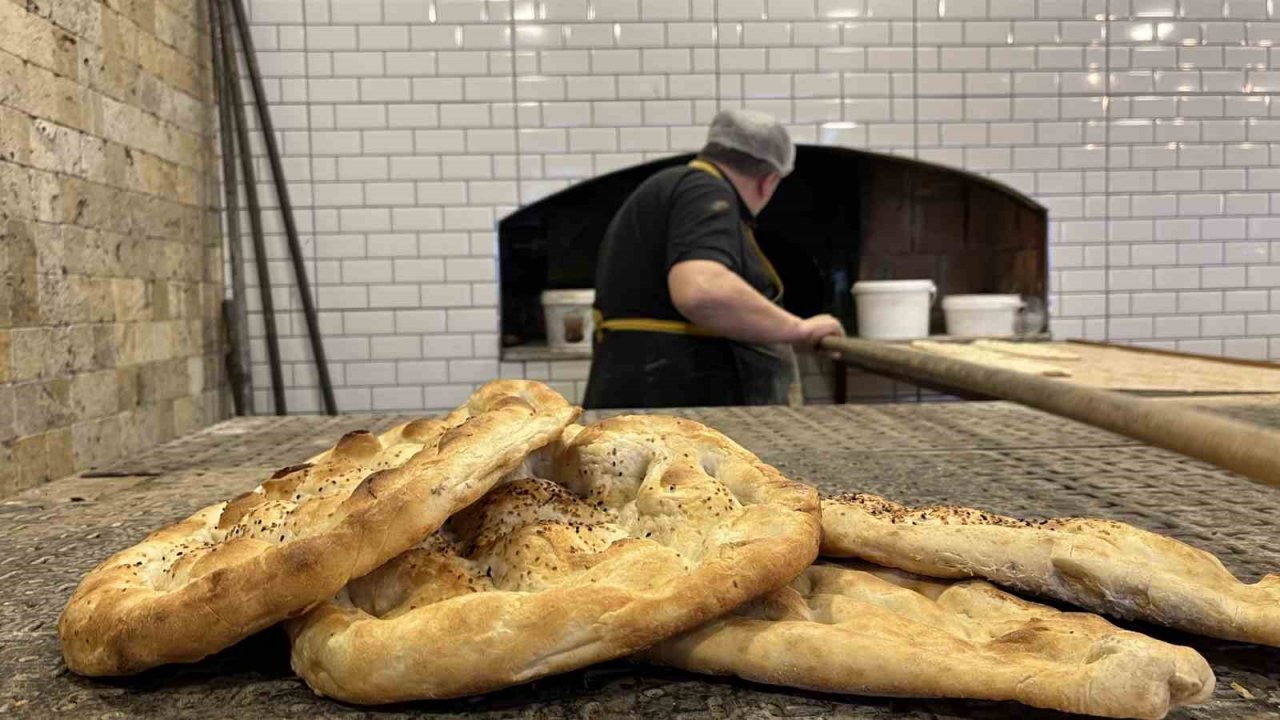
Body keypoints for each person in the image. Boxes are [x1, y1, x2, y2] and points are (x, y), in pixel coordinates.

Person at [583, 109, 845, 409]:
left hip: (648, 397)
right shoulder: (703, 190)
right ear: (769, 181)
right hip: (670, 404)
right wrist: (798, 330)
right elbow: (702, 289)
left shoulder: (674, 188)